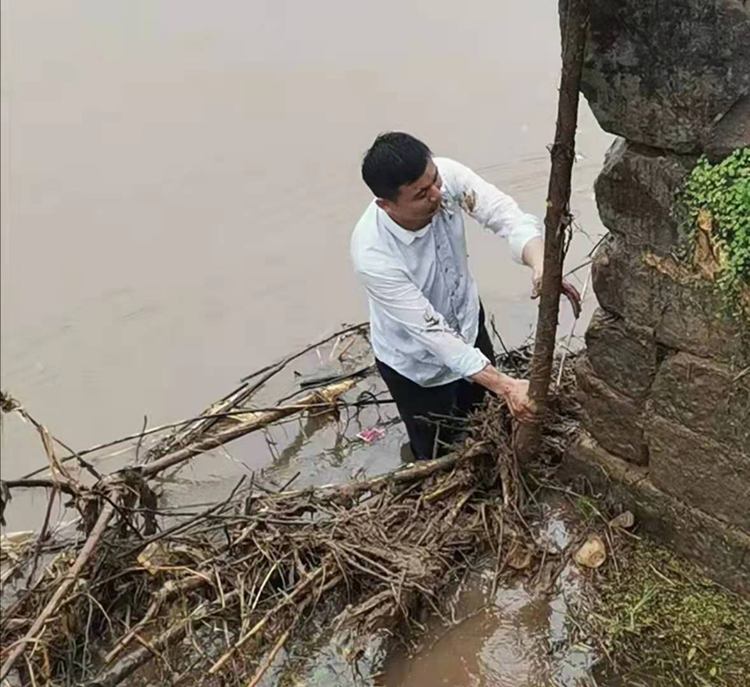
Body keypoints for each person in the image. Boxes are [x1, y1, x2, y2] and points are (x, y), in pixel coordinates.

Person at [351, 132, 581, 461]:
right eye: (420, 194)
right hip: (418, 364)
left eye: (435, 180)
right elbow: (431, 333)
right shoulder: (373, 254)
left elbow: (505, 215)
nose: (436, 195)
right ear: (386, 205)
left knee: (487, 422)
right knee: (437, 451)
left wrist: (542, 266)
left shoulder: (445, 180)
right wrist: (506, 386)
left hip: (468, 324)